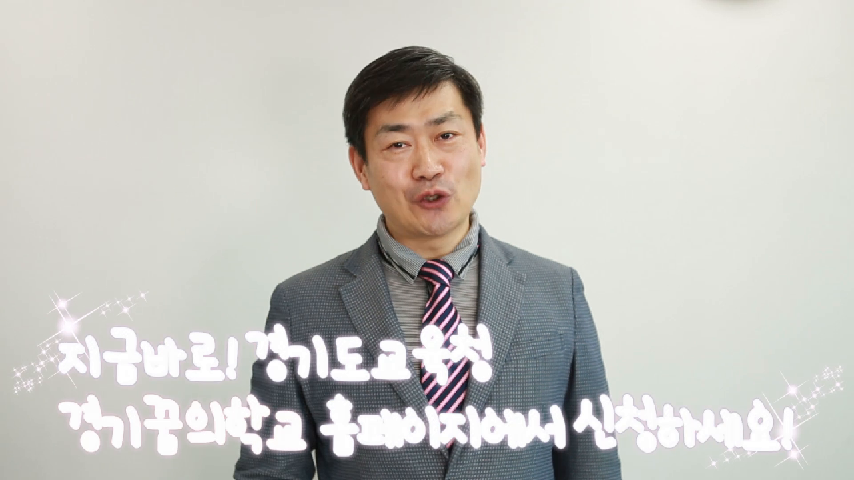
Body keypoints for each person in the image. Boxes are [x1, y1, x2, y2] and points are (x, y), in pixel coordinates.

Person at [233, 46, 622, 480]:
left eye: (446, 136)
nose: (428, 167)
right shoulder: (302, 305)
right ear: (360, 166)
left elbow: (594, 465)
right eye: (398, 144)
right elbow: (270, 472)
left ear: (480, 143)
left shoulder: (558, 292)